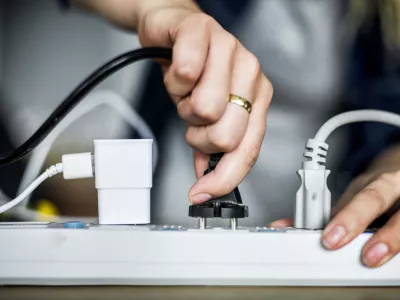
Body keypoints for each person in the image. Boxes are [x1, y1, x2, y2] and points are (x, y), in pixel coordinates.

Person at [54, 0, 400, 268]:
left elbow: (388, 120)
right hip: (170, 216)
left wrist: (390, 167)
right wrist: (162, 8)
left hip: (319, 238)